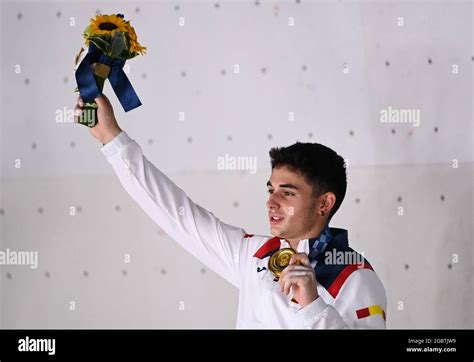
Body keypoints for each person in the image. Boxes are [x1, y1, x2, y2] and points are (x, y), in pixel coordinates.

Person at [74, 94, 387, 329]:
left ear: (324, 203)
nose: (271, 202)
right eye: (271, 190)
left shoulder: (355, 276)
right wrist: (110, 137)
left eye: (287, 192)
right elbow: (175, 213)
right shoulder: (252, 253)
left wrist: (313, 306)